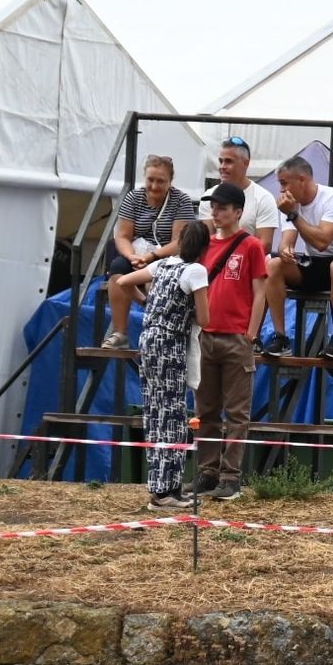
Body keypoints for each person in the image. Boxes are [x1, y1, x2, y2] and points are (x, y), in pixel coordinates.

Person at [113, 219, 211, 511]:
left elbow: (123, 281)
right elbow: (204, 319)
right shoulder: (196, 271)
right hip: (170, 345)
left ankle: (157, 487)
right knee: (173, 416)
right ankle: (168, 490)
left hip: (148, 339)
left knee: (154, 413)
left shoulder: (164, 265)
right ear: (205, 248)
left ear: (180, 243)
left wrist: (148, 301)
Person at [188, 184, 268, 502]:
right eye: (213, 206)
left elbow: (260, 290)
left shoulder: (250, 246)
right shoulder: (203, 245)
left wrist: (251, 333)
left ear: (238, 211)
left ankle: (231, 476)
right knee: (205, 409)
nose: (216, 212)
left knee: (237, 413)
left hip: (236, 337)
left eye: (222, 207)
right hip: (205, 335)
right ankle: (208, 472)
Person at [255, 155, 333, 360]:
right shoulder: (290, 205)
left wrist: (295, 216)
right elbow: (286, 241)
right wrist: (286, 250)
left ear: (302, 180)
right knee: (273, 264)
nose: (281, 190)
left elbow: (322, 242)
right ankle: (281, 337)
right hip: (316, 263)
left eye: (284, 183)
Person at [101, 156, 196, 348]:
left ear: (170, 181)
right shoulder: (133, 198)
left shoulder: (181, 201)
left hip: (167, 255)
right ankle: (120, 332)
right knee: (117, 268)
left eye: (160, 181)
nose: (154, 186)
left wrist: (152, 257)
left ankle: (157, 329)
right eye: (150, 180)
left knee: (158, 275)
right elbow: (123, 236)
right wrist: (131, 256)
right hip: (138, 254)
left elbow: (179, 242)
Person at [197, 137, 280, 252]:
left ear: (245, 163)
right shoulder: (209, 195)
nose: (222, 167)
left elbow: (265, 245)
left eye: (229, 161)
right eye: (221, 161)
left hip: (250, 263)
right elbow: (206, 241)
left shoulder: (264, 198)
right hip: (218, 262)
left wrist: (236, 260)